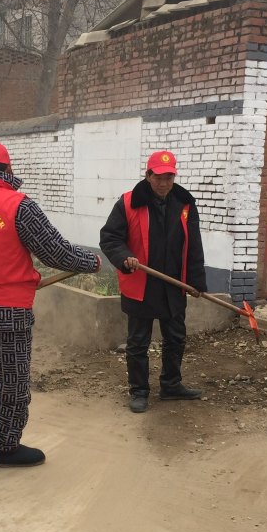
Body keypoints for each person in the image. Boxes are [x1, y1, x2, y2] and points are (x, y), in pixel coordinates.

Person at [0, 142, 100, 480]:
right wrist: (91, 261)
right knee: (11, 385)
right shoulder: (19, 206)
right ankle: (7, 448)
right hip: (8, 315)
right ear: (8, 171)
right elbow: (55, 252)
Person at [99, 150, 208, 414]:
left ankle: (171, 385)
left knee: (176, 338)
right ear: (148, 175)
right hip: (142, 284)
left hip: (173, 284)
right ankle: (139, 391)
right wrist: (125, 257)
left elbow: (193, 244)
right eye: (159, 177)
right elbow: (110, 238)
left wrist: (196, 282)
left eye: (169, 177)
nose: (164, 183)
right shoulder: (128, 203)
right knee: (138, 342)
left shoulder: (184, 203)